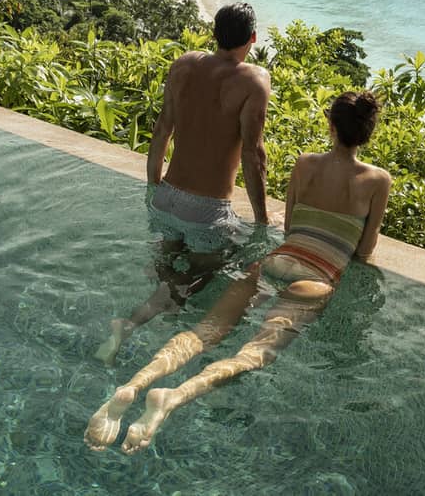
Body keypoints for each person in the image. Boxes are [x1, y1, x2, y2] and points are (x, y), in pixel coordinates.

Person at [86, 91, 392, 454]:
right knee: (254, 353)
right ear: (368, 132)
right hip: (317, 274)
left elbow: (292, 224)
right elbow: (365, 249)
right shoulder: (378, 180)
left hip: (276, 259)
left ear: (330, 125)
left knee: (205, 332)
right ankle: (173, 397)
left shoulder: (305, 163)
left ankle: (134, 385)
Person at [94, 3, 272, 365]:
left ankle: (163, 298)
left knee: (170, 261)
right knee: (198, 279)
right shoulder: (254, 80)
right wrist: (263, 222)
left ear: (214, 33)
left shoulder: (184, 64)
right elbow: (254, 157)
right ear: (252, 38)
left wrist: (153, 187)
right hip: (206, 211)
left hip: (166, 198)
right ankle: (130, 323)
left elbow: (162, 130)